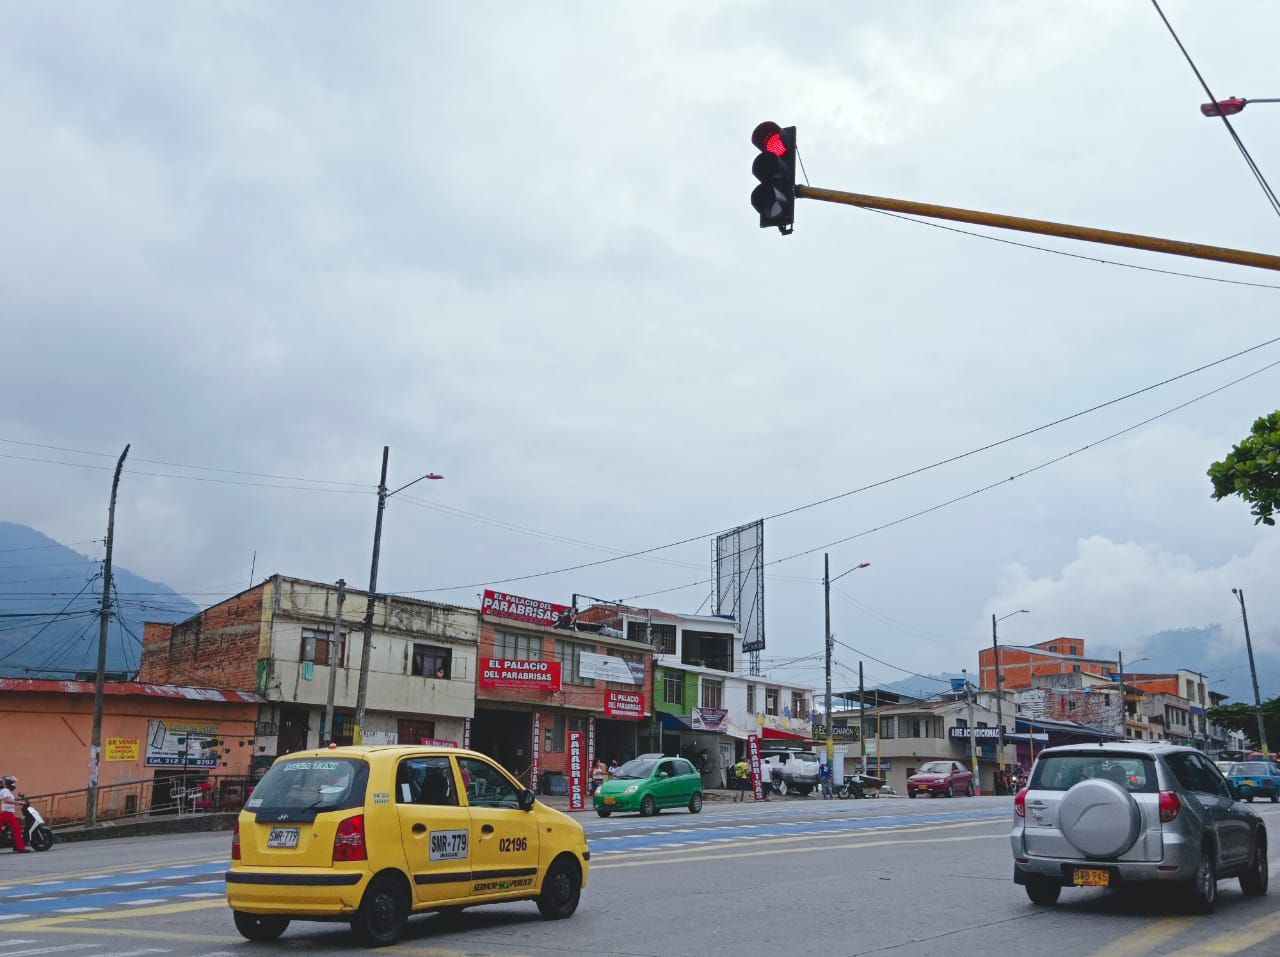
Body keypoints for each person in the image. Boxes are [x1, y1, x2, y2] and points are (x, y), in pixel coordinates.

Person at [0, 775, 29, 853]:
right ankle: (20, 847)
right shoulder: (5, 790)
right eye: (12, 783)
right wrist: (20, 803)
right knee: (17, 828)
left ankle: (17, 845)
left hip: (6, 812)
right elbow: (7, 801)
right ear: (8, 783)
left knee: (15, 828)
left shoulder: (5, 791)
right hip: (6, 812)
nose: (13, 785)